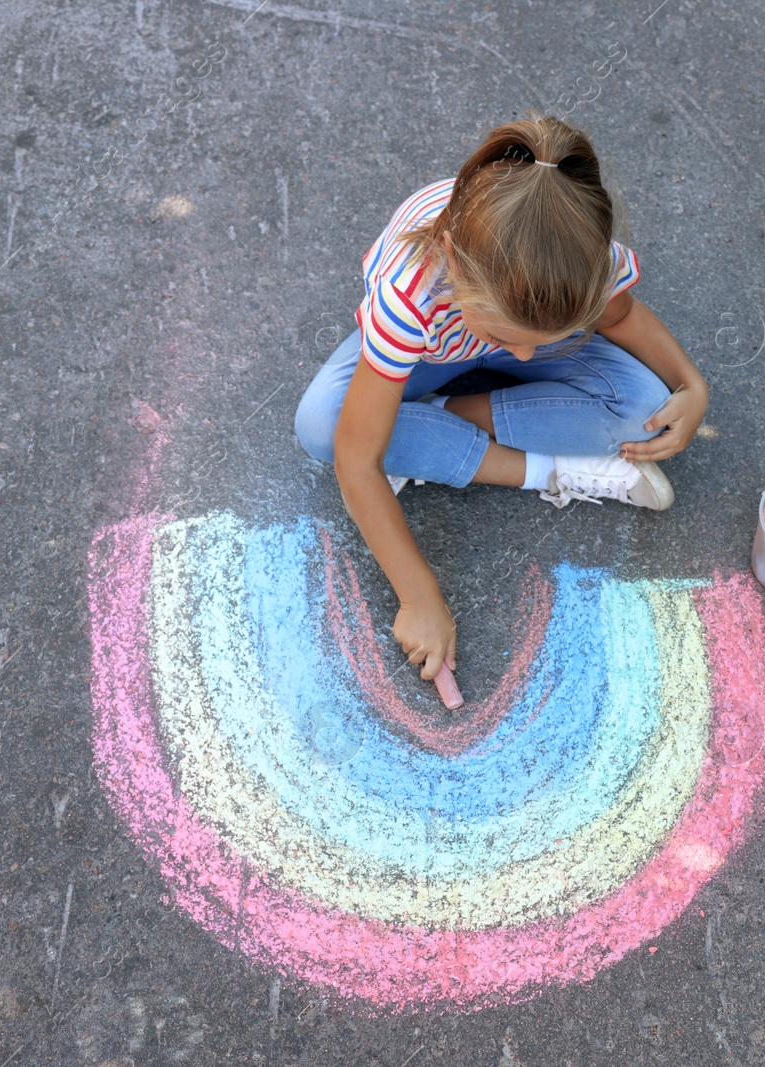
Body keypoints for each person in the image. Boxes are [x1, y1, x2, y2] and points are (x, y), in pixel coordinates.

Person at [294, 113, 709, 690]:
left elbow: (623, 316)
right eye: (502, 338)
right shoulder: (410, 292)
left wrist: (692, 384)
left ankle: (429, 428)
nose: (519, 357)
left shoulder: (581, 260)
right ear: (453, 263)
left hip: (494, 322)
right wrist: (419, 596)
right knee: (322, 427)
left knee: (647, 411)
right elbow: (354, 458)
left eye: (533, 343)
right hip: (431, 351)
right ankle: (551, 467)